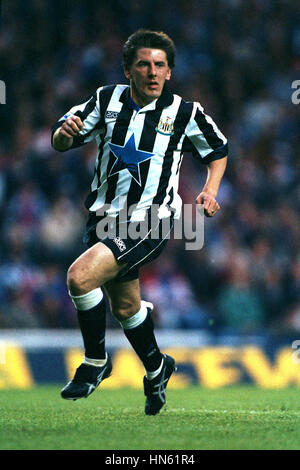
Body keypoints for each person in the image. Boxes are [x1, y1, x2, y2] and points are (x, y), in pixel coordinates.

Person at [51, 29, 228, 415]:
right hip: (101, 218)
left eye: (160, 65)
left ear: (169, 71)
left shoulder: (185, 113)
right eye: (144, 64)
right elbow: (62, 138)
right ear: (128, 69)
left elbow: (217, 151)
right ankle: (157, 367)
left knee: (80, 277)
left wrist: (210, 189)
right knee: (127, 307)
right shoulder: (105, 99)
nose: (153, 72)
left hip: (151, 220)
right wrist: (64, 135)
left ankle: (95, 363)